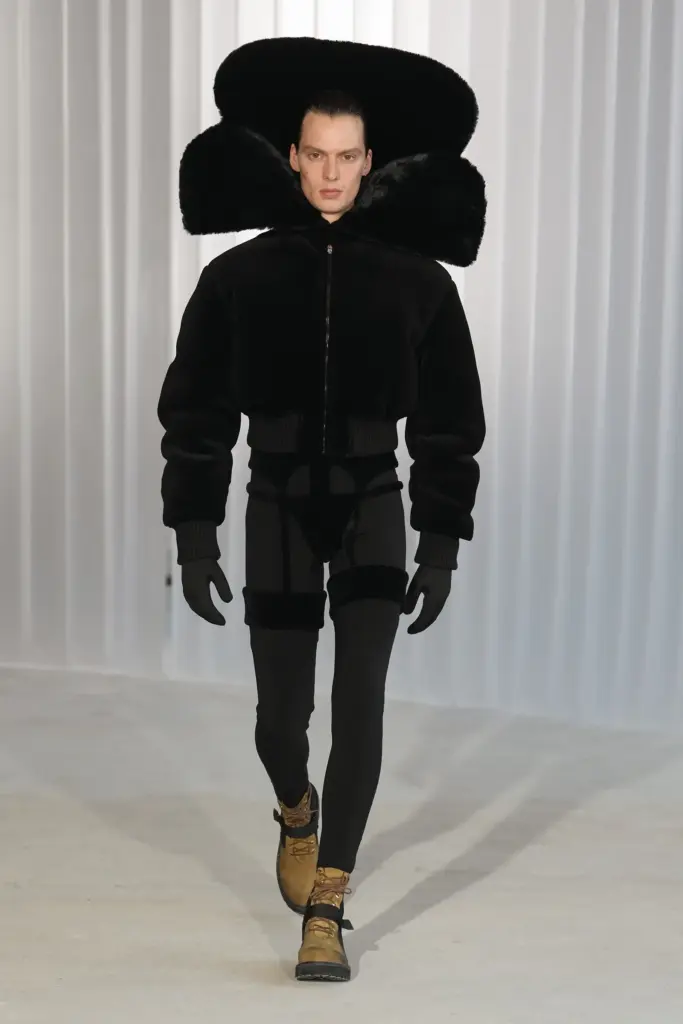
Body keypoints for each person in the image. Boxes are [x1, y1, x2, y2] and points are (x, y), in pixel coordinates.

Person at [157, 37, 486, 983]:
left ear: (369, 161)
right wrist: (193, 530)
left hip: (374, 504)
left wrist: (440, 539)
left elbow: (449, 420)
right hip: (276, 507)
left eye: (349, 156)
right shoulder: (237, 278)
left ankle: (328, 906)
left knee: (359, 704)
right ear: (292, 158)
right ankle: (296, 807)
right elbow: (197, 411)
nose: (333, 173)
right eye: (316, 154)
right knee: (279, 720)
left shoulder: (420, 283)